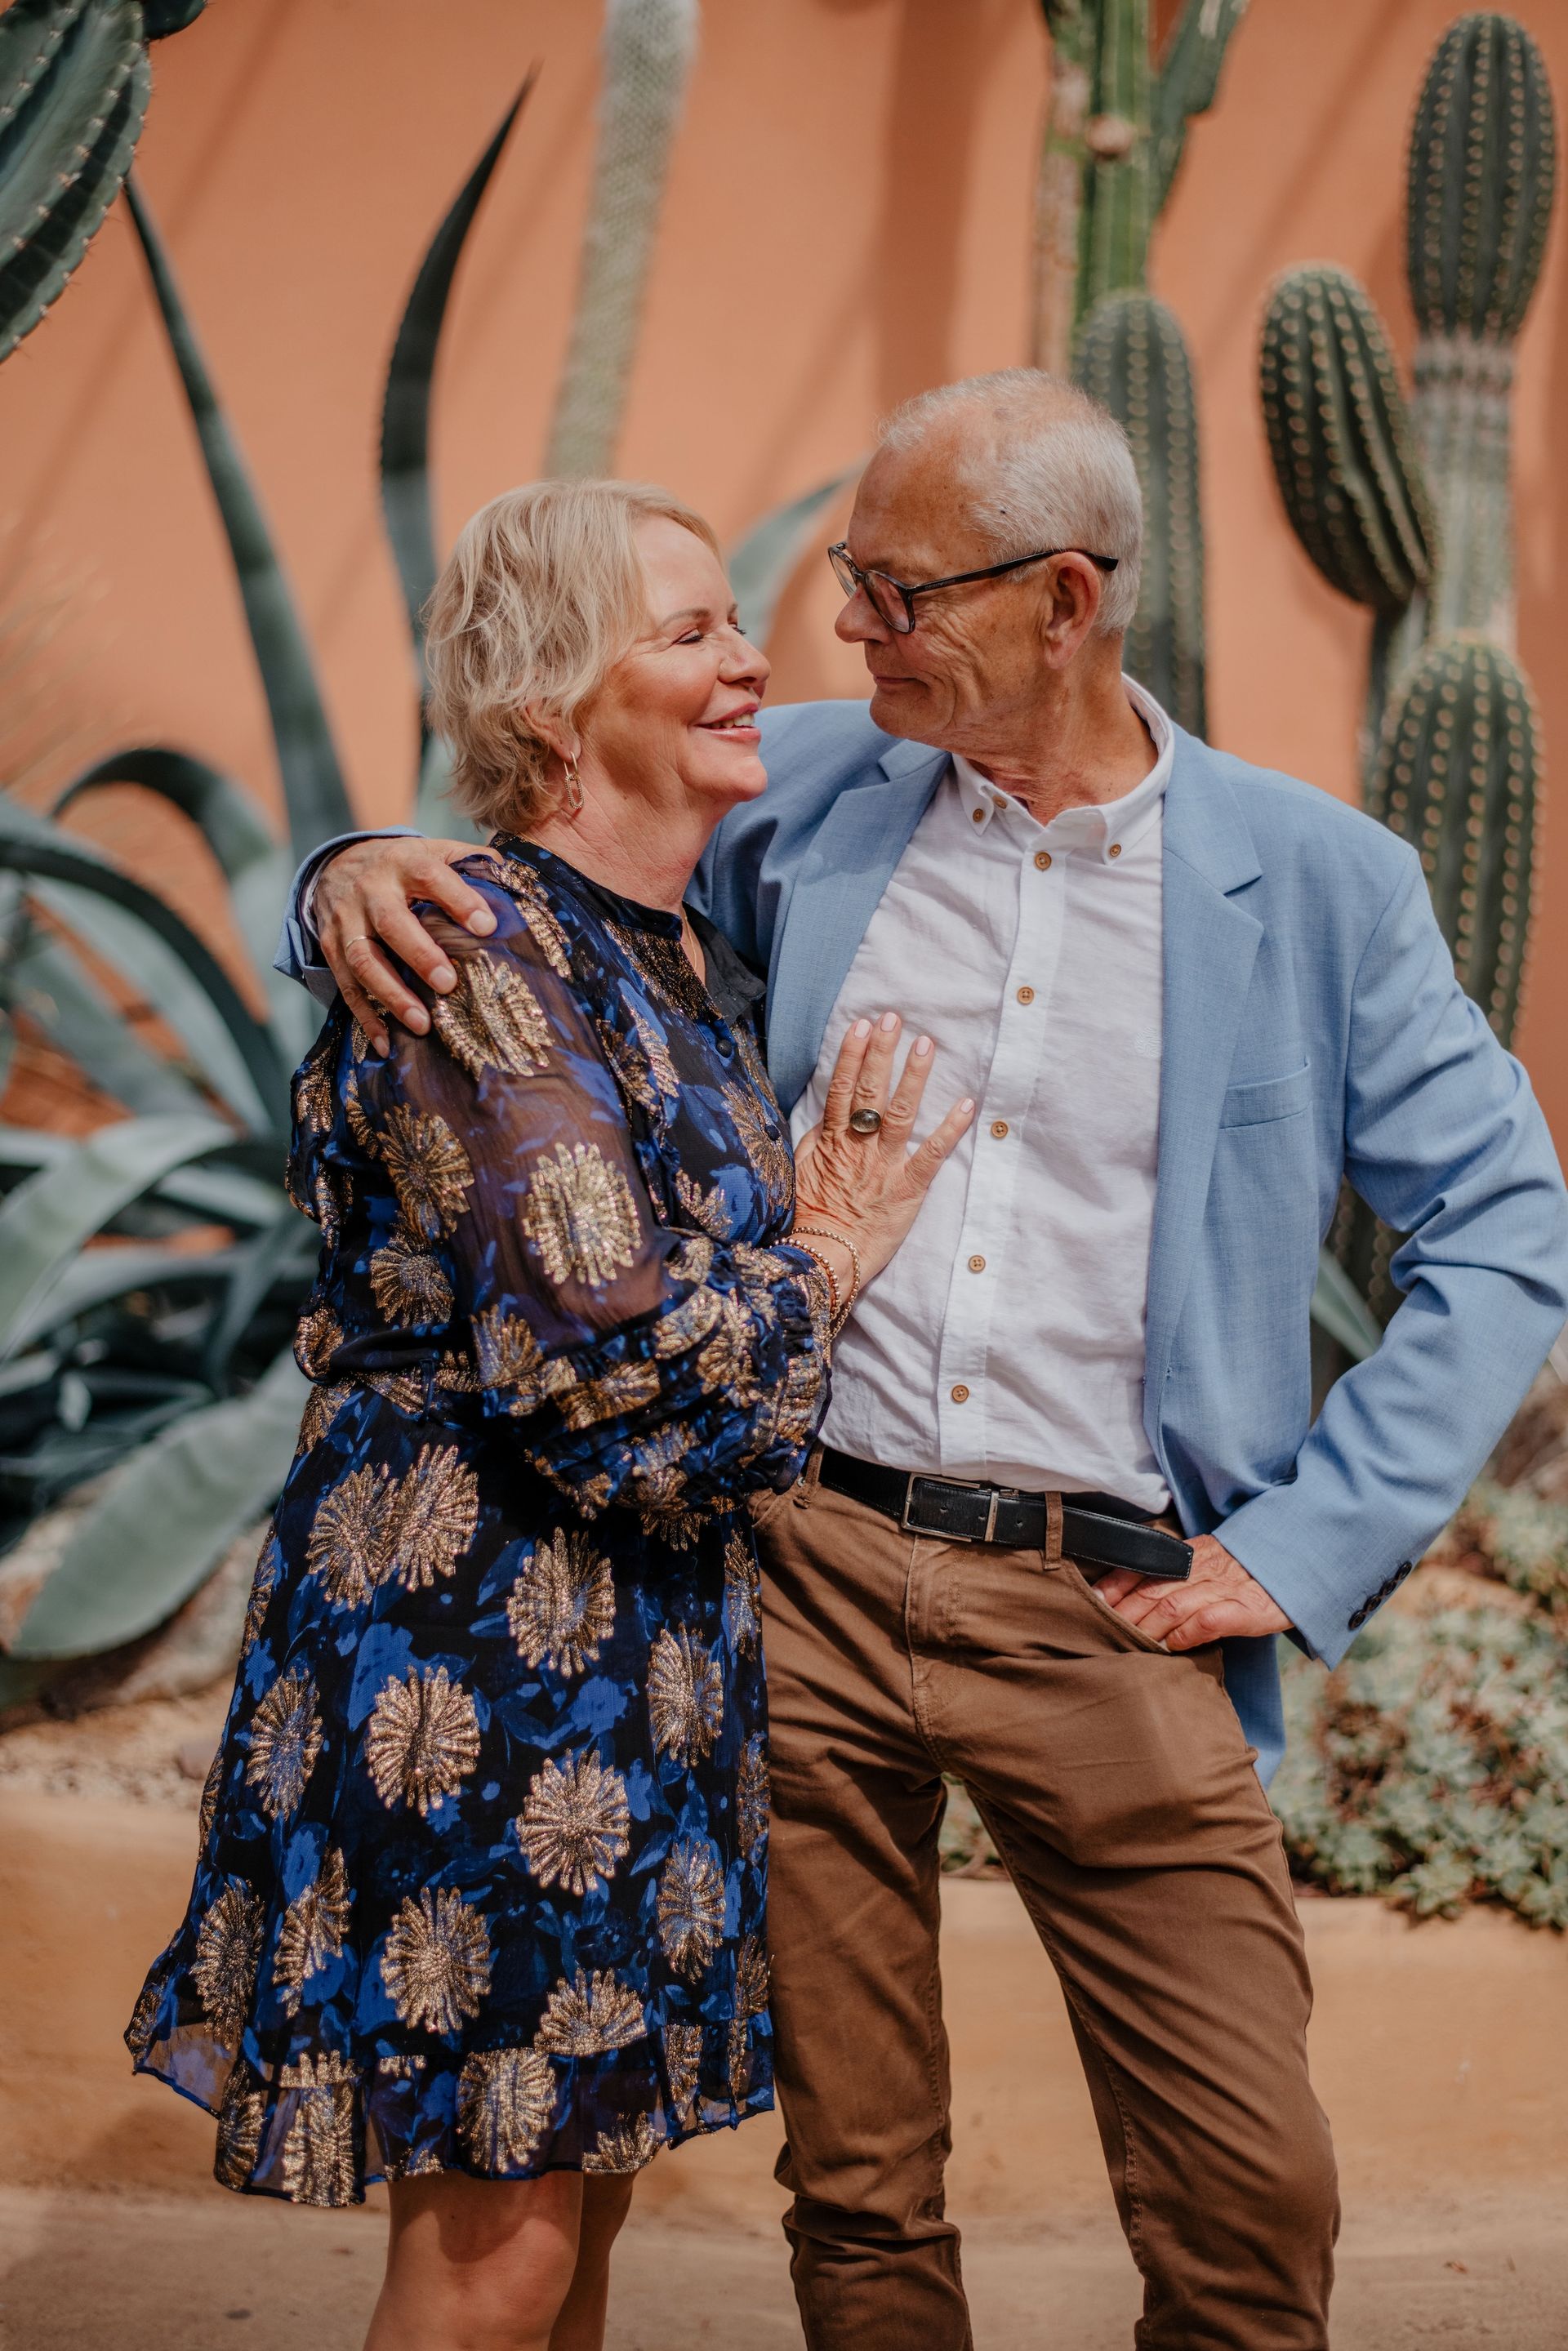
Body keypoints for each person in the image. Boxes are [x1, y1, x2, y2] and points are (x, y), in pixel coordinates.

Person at [277, 373, 1568, 2351]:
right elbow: (548, 823)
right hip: (795, 1572)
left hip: (1113, 1594)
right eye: (843, 587)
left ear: (1066, 600)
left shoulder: (1321, 886)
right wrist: (354, 867)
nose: (842, 633)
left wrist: (1310, 1549)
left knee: (1253, 2197)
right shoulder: (806, 790)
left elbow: (1504, 1230)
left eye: (893, 591)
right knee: (861, 2190)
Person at [127, 479, 970, 2351]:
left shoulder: (677, 954)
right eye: (686, 633)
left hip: (636, 1651)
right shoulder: (479, 953)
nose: (753, 658)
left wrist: (338, 852)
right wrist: (830, 1252)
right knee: (496, 2253)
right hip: (478, 1652)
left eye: (737, 624)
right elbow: (611, 1376)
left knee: (568, 2229)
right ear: (545, 709)